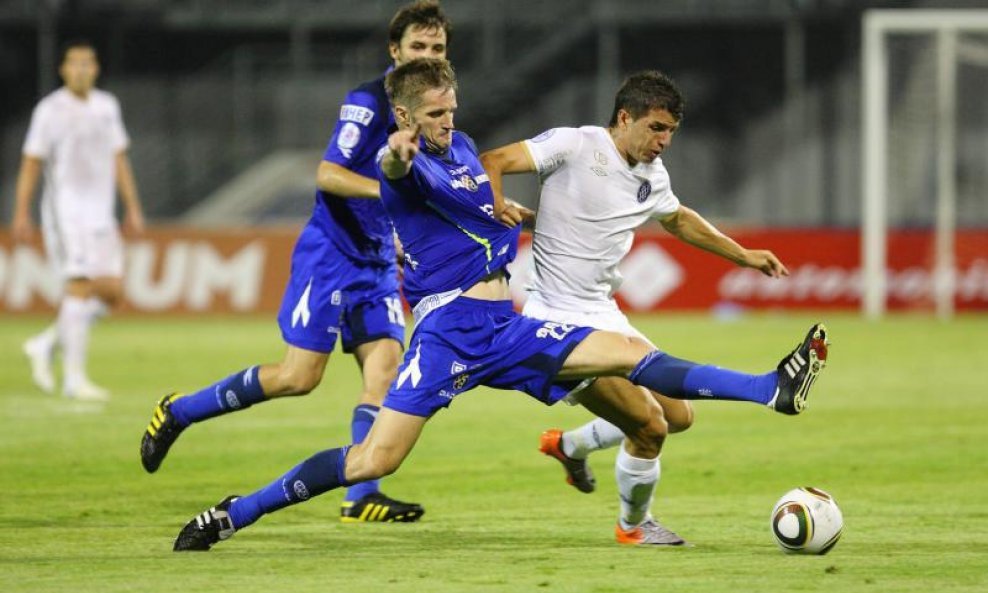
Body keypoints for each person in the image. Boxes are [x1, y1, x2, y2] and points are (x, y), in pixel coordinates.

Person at [169, 58, 829, 552]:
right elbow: (400, 180)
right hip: (448, 332)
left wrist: (498, 208)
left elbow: (476, 184)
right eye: (432, 115)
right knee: (373, 460)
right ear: (402, 119)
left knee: (632, 355)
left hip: (507, 324)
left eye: (451, 110)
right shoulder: (402, 164)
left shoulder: (457, 148)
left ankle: (771, 388)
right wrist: (397, 159)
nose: (447, 123)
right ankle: (235, 512)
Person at [139, 0, 452, 523]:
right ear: (394, 52)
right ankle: (180, 410)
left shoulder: (433, 110)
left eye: (437, 48)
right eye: (417, 47)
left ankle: (361, 494)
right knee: (298, 376)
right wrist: (390, 194)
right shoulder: (368, 103)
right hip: (330, 255)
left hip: (375, 261)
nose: (426, 56)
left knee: (385, 368)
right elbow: (329, 173)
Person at [480, 70, 796, 545]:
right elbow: (492, 160)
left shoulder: (652, 174)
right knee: (649, 427)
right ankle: (632, 527)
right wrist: (496, 204)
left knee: (679, 416)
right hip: (556, 321)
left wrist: (745, 255)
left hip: (603, 313)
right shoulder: (575, 144)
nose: (664, 140)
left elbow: (679, 220)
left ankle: (570, 446)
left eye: (671, 131)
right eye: (656, 128)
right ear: (625, 118)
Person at [13, 40, 145, 401]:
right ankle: (74, 379)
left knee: (112, 293)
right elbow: (31, 162)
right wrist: (21, 211)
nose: (81, 69)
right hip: (66, 213)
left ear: (96, 68)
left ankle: (44, 343)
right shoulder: (50, 110)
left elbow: (119, 159)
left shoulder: (107, 106)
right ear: (63, 69)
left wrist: (132, 207)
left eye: (88, 63)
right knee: (80, 286)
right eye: (74, 63)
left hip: (101, 214)